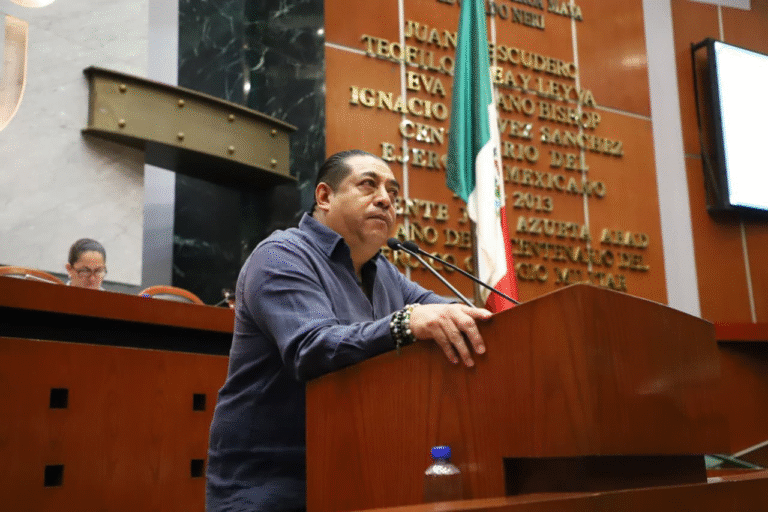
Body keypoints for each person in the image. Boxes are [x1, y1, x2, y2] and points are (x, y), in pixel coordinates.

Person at [205, 150, 492, 512]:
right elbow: (311, 348)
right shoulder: (281, 255)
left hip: (358, 473)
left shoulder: (383, 272)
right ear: (324, 196)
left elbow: (443, 310)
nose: (385, 199)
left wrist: (484, 319)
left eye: (393, 193)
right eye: (369, 185)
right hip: (272, 485)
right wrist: (404, 324)